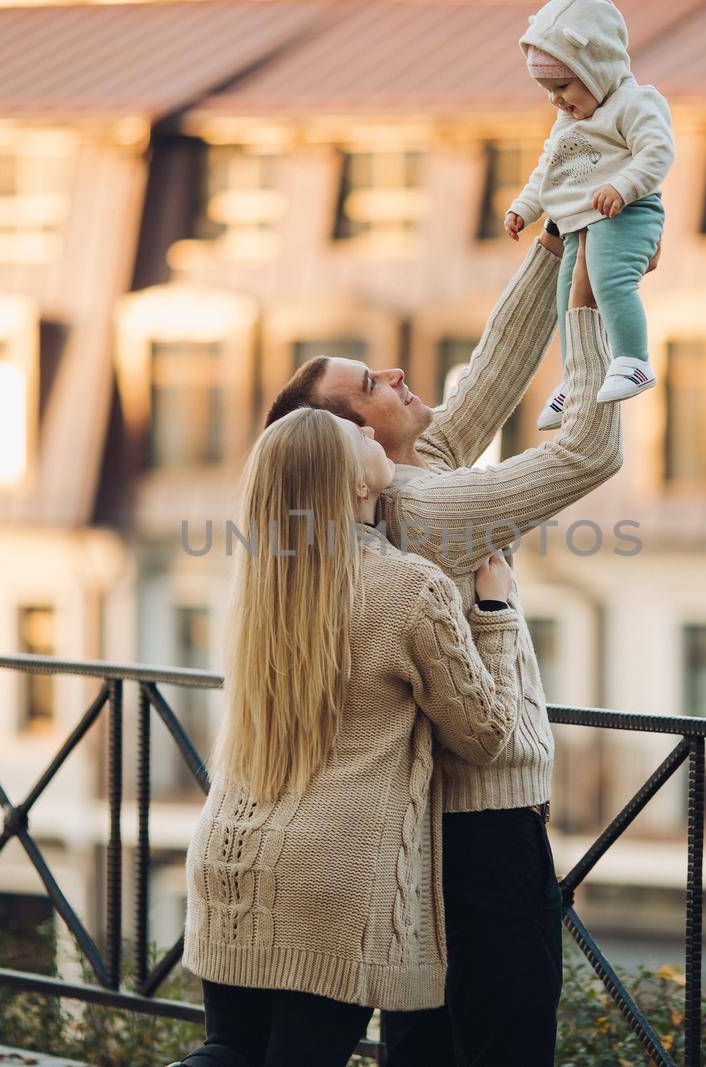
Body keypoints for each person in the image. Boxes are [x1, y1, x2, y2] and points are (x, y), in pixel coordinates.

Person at [265, 224, 635, 1064]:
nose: (395, 372)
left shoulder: (398, 482)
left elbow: (497, 366)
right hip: (487, 827)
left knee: (429, 1043)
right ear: (356, 440)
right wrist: (593, 304)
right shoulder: (428, 509)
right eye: (371, 384)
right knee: (503, 1040)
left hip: (432, 826)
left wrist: (557, 242)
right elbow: (588, 449)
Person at [176, 407, 524, 1067]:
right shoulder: (409, 586)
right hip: (329, 883)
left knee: (226, 1052)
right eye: (355, 435)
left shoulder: (260, 584)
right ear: (355, 485)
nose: (371, 430)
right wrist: (496, 612)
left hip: (228, 856)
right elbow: (484, 734)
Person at [505, 0, 674, 430]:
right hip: (579, 223)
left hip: (628, 212)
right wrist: (524, 208)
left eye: (562, 86)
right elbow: (550, 170)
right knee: (568, 302)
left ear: (596, 67)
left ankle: (634, 360)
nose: (555, 100)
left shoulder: (635, 103)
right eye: (547, 90)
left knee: (610, 282)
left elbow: (657, 152)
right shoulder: (567, 123)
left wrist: (622, 187)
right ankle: (578, 378)